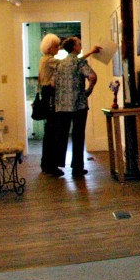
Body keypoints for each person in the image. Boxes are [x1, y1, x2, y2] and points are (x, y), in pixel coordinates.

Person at [53, 37, 100, 177]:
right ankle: (77, 168)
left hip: (61, 106)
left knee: (61, 136)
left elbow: (53, 83)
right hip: (78, 104)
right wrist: (89, 89)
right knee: (78, 135)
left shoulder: (60, 64)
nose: (80, 46)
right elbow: (92, 76)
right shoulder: (80, 62)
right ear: (74, 47)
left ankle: (58, 165)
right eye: (79, 44)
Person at [38, 33, 64, 176]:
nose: (58, 49)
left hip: (46, 95)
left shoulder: (44, 59)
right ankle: (51, 166)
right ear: (50, 47)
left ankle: (46, 164)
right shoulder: (49, 60)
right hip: (50, 97)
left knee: (49, 132)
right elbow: (69, 64)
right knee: (53, 132)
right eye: (56, 46)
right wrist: (90, 53)